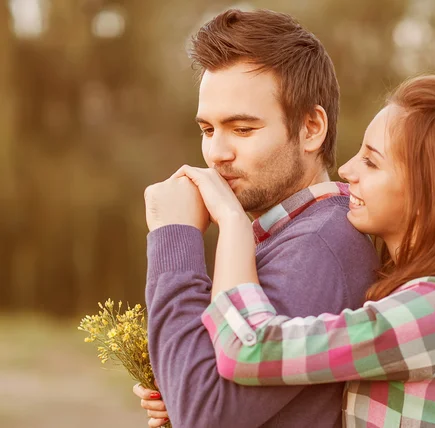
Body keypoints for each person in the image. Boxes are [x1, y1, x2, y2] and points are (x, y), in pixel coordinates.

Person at [176, 75, 435, 427]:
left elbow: (249, 350)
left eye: (372, 161)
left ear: (429, 192)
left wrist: (233, 222)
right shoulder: (427, 297)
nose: (348, 169)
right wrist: (182, 388)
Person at [137, 8, 379, 428]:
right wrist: (175, 384)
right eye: (208, 130)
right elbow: (203, 394)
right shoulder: (288, 234)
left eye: (242, 129)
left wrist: (172, 237)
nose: (216, 154)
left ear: (310, 127)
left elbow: (204, 414)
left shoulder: (319, 244)